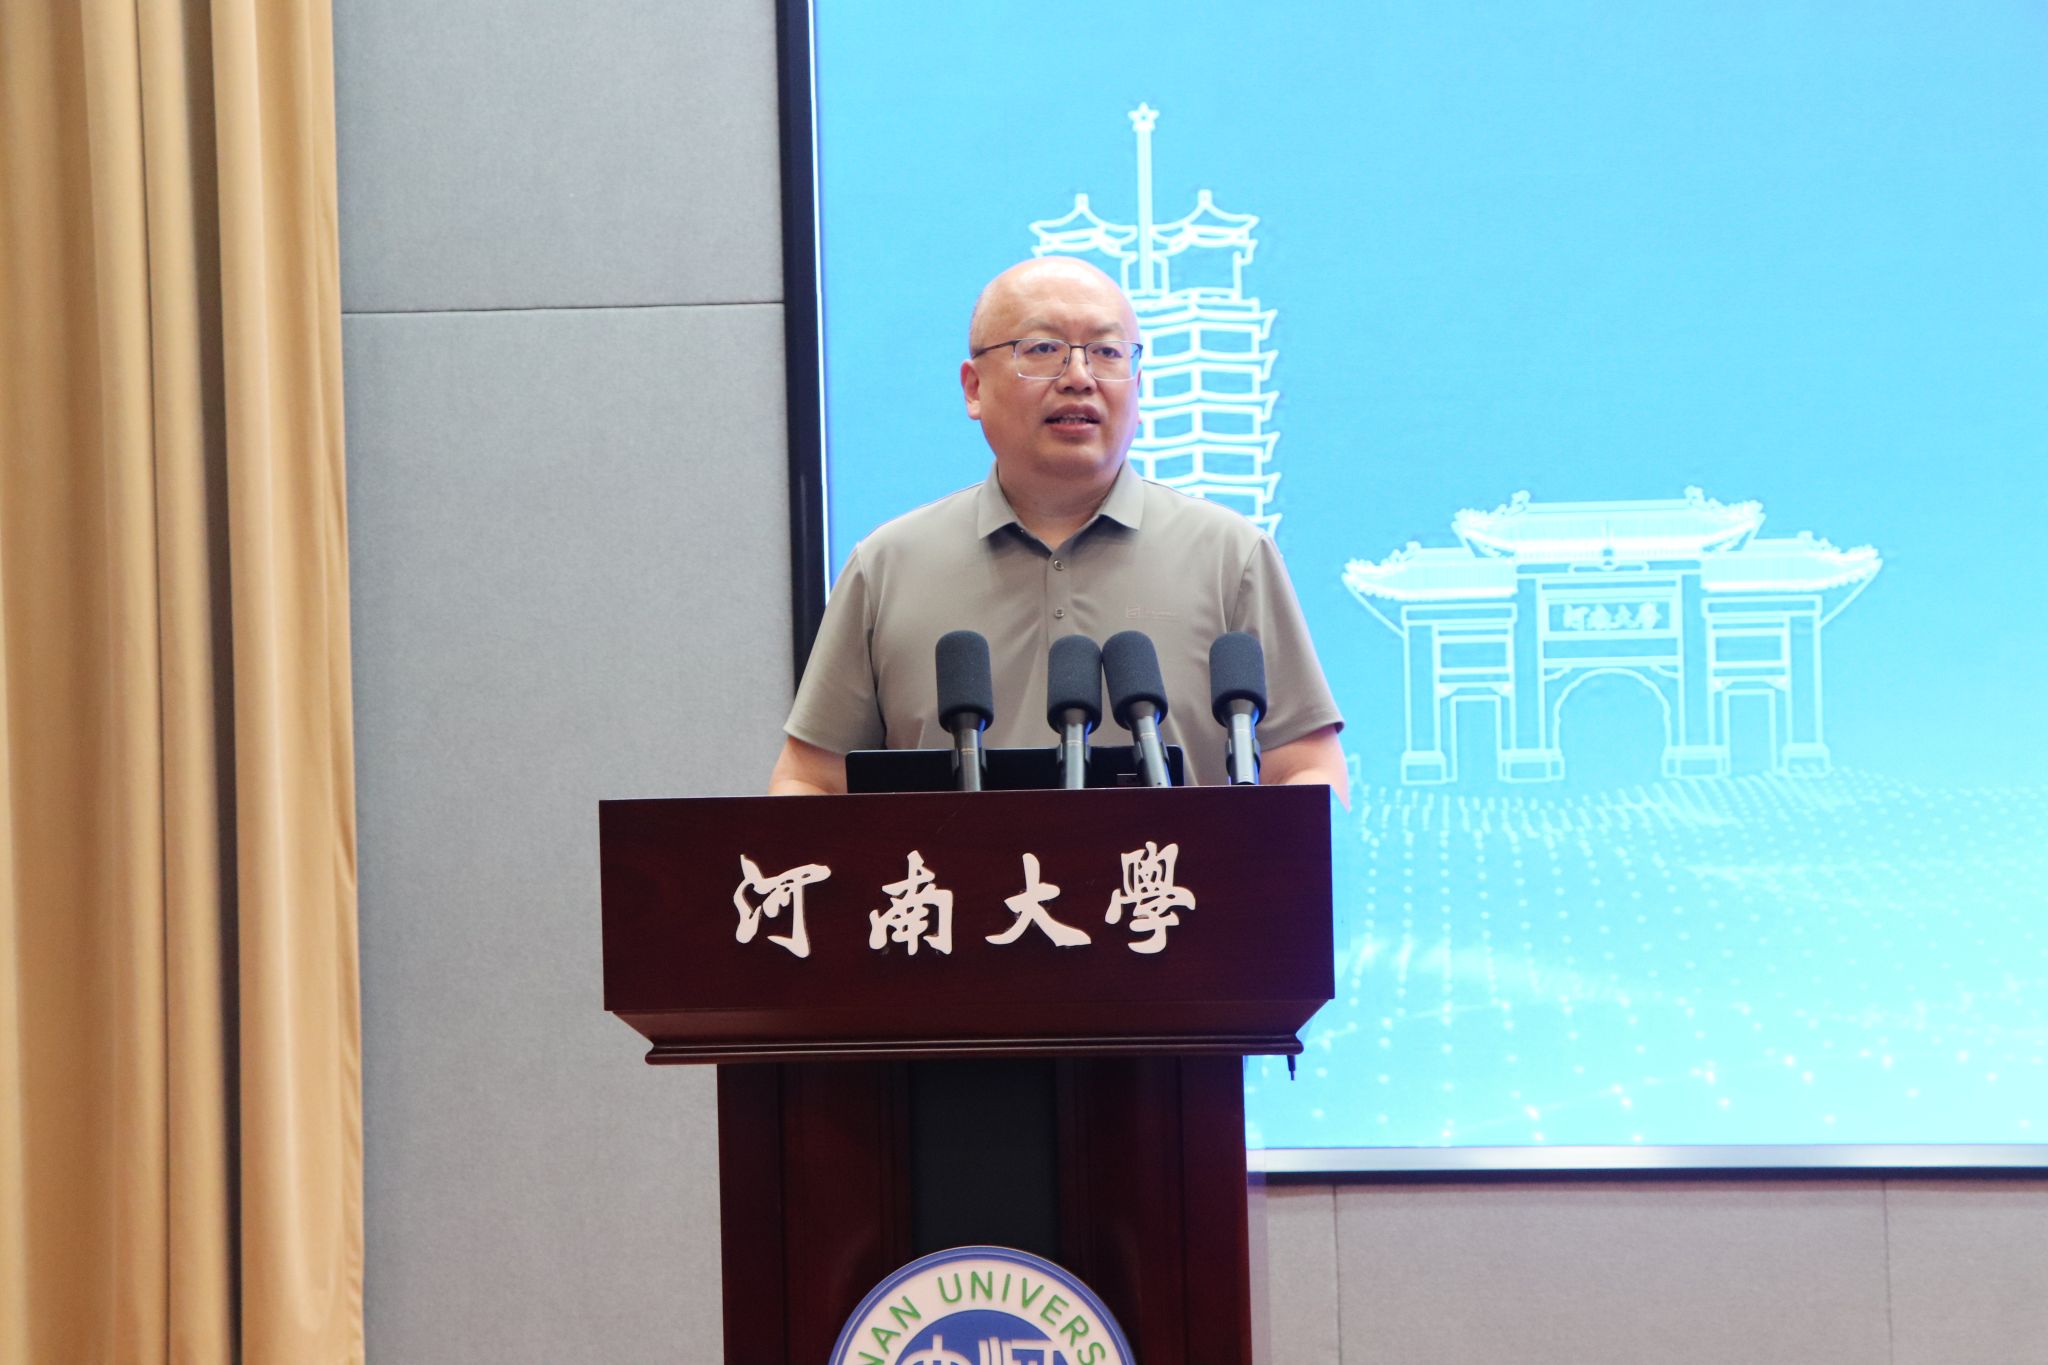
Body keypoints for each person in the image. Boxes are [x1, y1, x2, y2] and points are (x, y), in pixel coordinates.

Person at [768, 256, 1348, 802]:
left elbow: (1306, 767)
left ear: (1139, 386)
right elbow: (810, 781)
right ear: (974, 387)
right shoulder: (888, 565)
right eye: (1043, 349)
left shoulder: (1230, 555)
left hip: (1169, 881)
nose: (1079, 377)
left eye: (1107, 352)